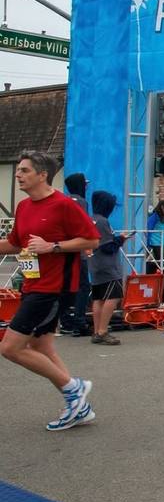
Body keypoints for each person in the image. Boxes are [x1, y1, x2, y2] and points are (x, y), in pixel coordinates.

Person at [0, 151, 100, 431]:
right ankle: (78, 405)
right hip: (33, 283)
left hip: (54, 288)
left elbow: (92, 239)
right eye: (18, 170)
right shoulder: (23, 207)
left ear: (42, 175)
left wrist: (53, 246)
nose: (18, 175)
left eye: (24, 170)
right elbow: (15, 243)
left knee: (9, 348)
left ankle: (73, 388)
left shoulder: (64, 205)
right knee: (40, 346)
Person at [88, 191, 132, 346]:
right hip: (108, 267)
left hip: (95, 264)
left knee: (98, 298)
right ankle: (102, 331)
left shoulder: (91, 220)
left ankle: (97, 330)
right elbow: (107, 247)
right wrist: (121, 239)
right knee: (113, 297)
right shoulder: (102, 222)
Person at [58, 172, 92, 336]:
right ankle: (79, 321)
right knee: (83, 287)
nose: (86, 186)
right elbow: (84, 226)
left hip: (64, 250)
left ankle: (65, 321)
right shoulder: (81, 202)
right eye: (84, 183)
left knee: (65, 287)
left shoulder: (63, 200)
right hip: (78, 250)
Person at [147, 200, 164, 270]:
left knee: (162, 262)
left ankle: (161, 277)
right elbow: (148, 229)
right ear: (162, 207)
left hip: (163, 242)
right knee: (159, 263)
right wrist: (148, 244)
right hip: (156, 242)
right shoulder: (154, 216)